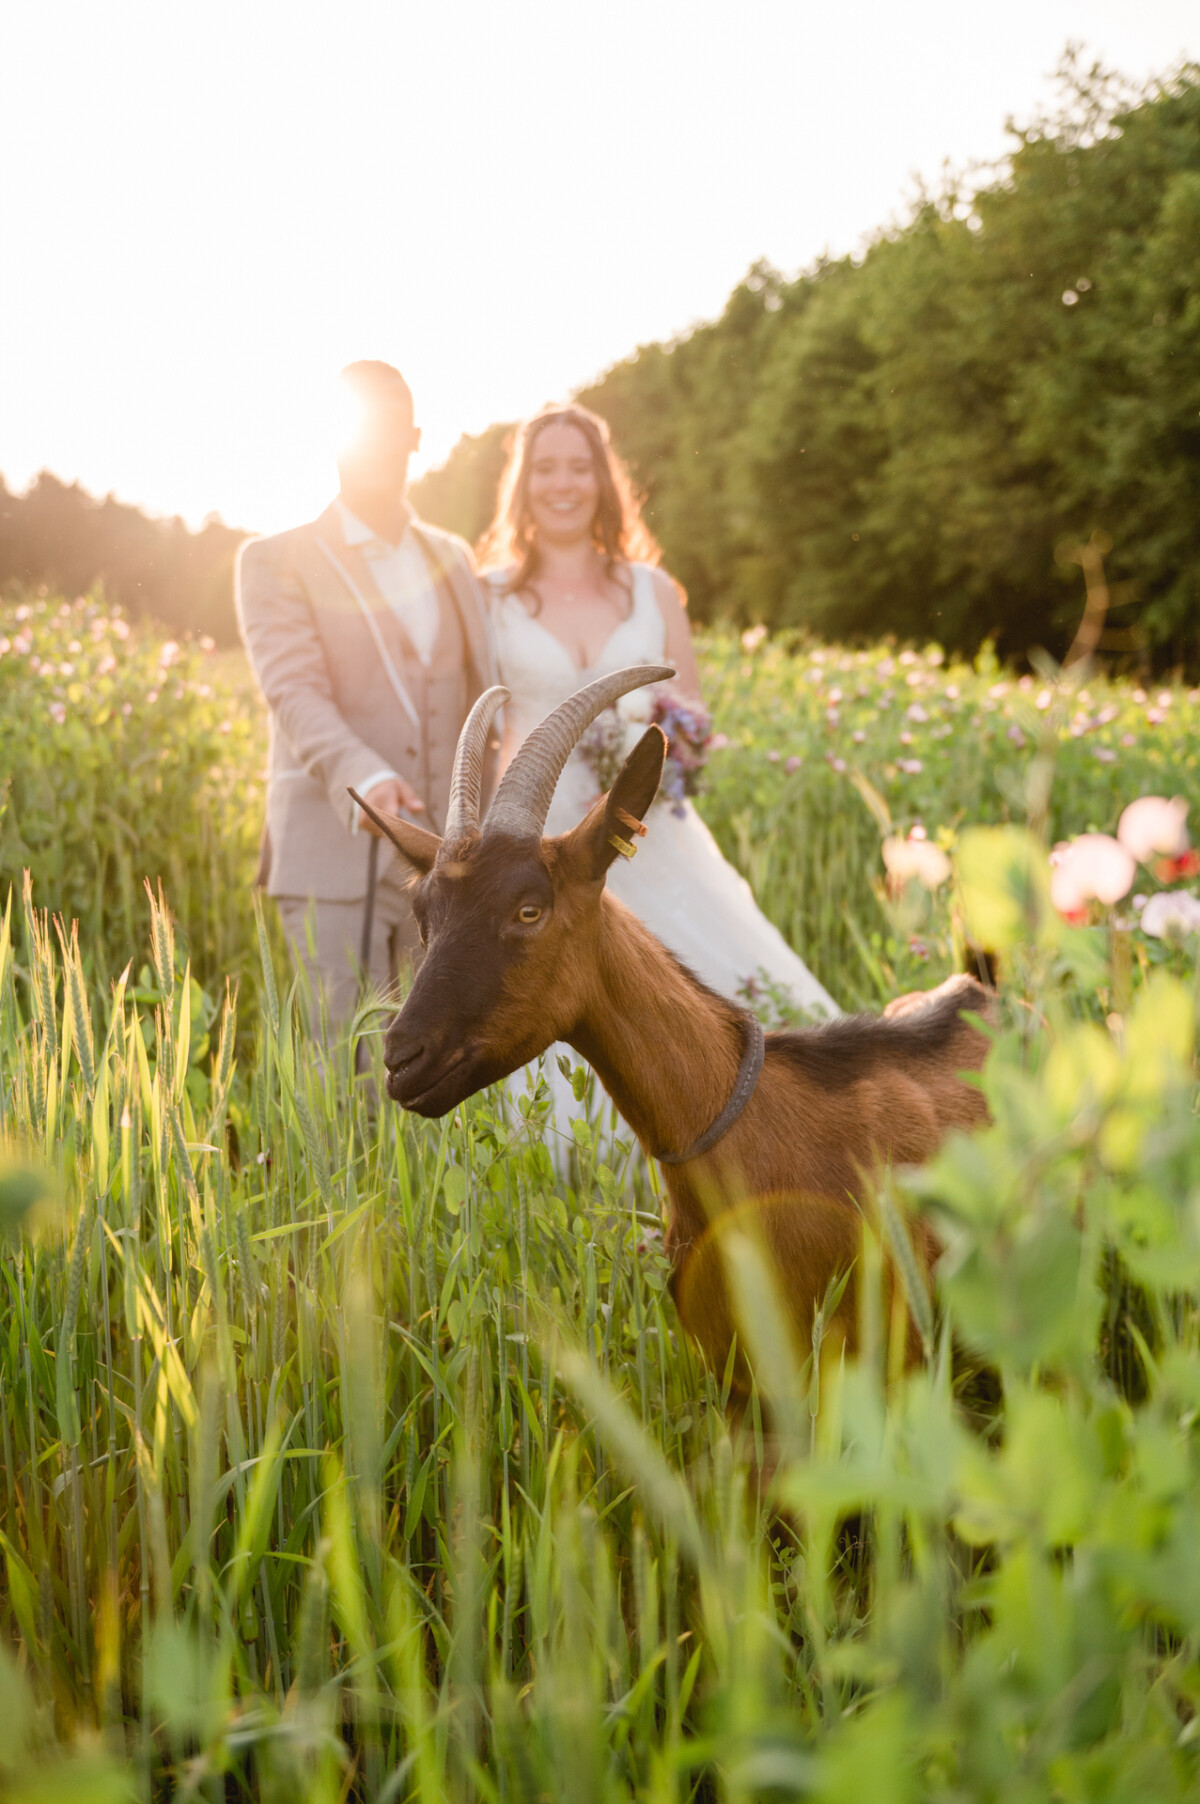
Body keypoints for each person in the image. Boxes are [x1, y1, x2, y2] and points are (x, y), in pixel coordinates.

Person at [479, 403, 840, 1028]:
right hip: (539, 844)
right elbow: (474, 721)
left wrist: (664, 743)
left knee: (727, 1002)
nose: (562, 485)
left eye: (578, 468)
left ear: (602, 482)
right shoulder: (487, 595)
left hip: (648, 833)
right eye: (545, 469)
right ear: (522, 484)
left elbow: (693, 715)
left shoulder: (652, 589)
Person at [236, 361, 496, 1034]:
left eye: (392, 427)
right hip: (333, 858)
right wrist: (366, 775)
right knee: (345, 1072)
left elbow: (485, 694)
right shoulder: (272, 559)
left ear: (415, 439)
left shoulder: (453, 556)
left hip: (448, 869)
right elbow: (293, 693)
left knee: (439, 1065)